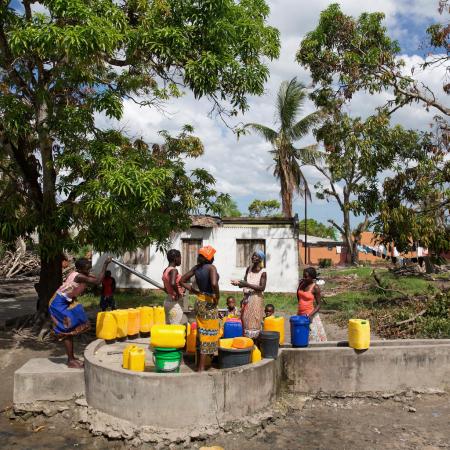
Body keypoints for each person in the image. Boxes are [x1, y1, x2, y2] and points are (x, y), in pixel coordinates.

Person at [49, 257, 112, 368]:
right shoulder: (79, 276)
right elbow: (97, 281)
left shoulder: (80, 274)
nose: (89, 270)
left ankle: (72, 358)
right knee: (67, 331)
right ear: (80, 269)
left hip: (66, 302)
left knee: (75, 322)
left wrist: (93, 273)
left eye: (89, 268)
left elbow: (96, 277)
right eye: (87, 268)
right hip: (58, 304)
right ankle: (70, 360)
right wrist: (105, 264)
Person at [180, 246, 220, 372]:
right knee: (207, 335)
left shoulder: (196, 268)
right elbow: (213, 284)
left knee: (201, 332)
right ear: (211, 258)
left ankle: (202, 363)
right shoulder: (211, 268)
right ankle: (201, 368)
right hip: (208, 303)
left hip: (199, 301)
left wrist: (194, 291)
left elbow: (182, 281)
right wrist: (217, 296)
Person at [232, 250, 266, 339]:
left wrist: (246, 284)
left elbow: (262, 288)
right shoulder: (249, 269)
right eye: (253, 255)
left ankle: (255, 345)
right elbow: (245, 282)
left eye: (256, 256)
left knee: (254, 320)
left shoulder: (263, 272)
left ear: (261, 259)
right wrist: (238, 283)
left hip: (256, 299)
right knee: (245, 320)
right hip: (246, 298)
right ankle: (247, 342)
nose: (253, 257)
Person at [297, 267, 327, 342]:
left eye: (306, 276)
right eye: (303, 275)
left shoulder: (315, 288)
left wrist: (310, 315)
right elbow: (298, 296)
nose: (303, 278)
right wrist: (301, 306)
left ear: (312, 277)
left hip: (310, 316)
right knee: (301, 336)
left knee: (313, 338)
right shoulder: (301, 284)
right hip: (300, 315)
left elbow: (319, 305)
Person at [162, 249, 185, 324]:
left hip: (168, 300)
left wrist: (171, 292)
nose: (181, 260)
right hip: (175, 303)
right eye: (180, 258)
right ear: (175, 259)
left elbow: (165, 287)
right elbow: (172, 283)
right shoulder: (174, 270)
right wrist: (178, 293)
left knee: (170, 325)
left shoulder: (166, 270)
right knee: (176, 326)